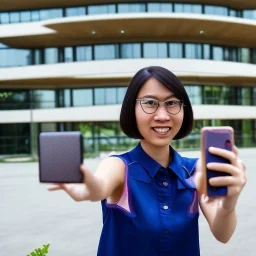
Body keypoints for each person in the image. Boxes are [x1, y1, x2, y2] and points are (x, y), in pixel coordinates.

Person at [49, 66, 246, 256]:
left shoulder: (195, 171)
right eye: (150, 103)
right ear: (132, 109)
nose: (162, 116)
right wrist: (88, 190)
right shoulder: (119, 166)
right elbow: (100, 186)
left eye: (172, 103)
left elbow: (223, 234)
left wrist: (229, 203)